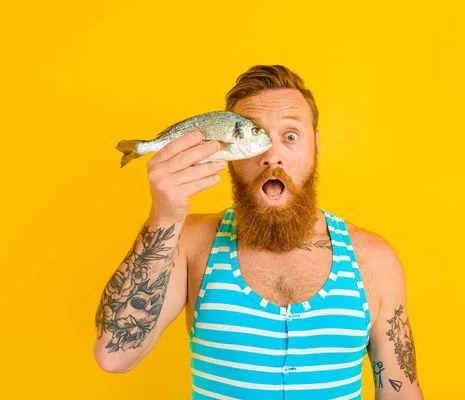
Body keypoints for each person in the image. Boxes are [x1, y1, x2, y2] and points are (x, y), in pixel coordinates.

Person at [93, 65, 425, 399]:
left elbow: (400, 392)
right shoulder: (191, 242)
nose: (270, 155)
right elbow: (113, 354)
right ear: (226, 153)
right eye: (252, 136)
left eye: (290, 136)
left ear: (316, 146)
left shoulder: (373, 260)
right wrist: (163, 217)